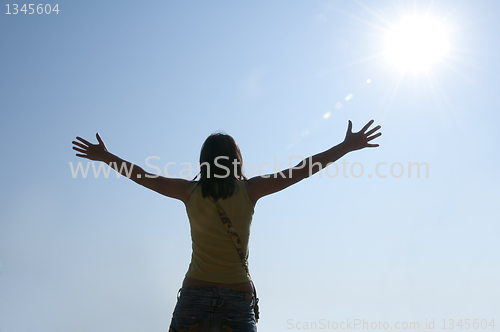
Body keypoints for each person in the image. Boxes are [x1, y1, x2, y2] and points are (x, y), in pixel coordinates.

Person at [72, 119, 381, 332]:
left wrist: (105, 156)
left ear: (204, 161)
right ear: (236, 160)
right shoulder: (251, 190)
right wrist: (345, 147)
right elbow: (303, 169)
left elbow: (140, 175)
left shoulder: (188, 191)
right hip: (238, 300)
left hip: (194, 296)